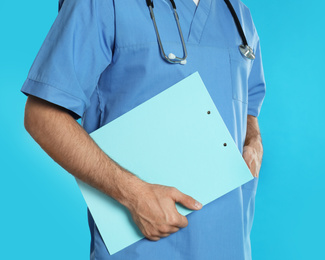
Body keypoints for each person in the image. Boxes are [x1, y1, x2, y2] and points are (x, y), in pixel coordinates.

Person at [21, 0, 265, 259]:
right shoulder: (102, 4)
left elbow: (247, 102)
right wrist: (133, 195)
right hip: (140, 248)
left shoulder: (238, 14)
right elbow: (43, 116)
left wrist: (254, 139)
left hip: (230, 245)